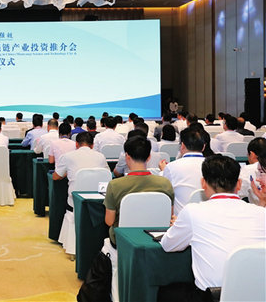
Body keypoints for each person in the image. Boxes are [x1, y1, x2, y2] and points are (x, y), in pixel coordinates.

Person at [160, 155, 266, 301]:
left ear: (203, 183)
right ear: (239, 184)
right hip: (258, 294)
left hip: (212, 297)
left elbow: (167, 245)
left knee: (166, 292)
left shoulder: (192, 212)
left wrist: (180, 225)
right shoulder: (261, 213)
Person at [103, 136, 174, 300]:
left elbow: (109, 221)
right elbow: (169, 217)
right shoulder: (165, 183)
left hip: (122, 243)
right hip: (156, 241)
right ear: (149, 157)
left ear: (127, 156)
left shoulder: (115, 185)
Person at [53, 132, 108, 208]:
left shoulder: (67, 156)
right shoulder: (101, 156)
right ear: (92, 145)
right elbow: (107, 174)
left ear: (76, 144)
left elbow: (55, 177)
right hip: (98, 202)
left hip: (74, 202)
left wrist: (68, 172)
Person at [159, 128, 206, 215]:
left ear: (183, 145)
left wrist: (163, 171)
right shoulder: (213, 166)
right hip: (208, 218)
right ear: (204, 147)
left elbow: (165, 192)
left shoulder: (172, 167)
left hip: (180, 218)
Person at [238, 137, 266, 206]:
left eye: (261, 172)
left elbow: (239, 194)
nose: (258, 179)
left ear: (252, 154)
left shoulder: (248, 169)